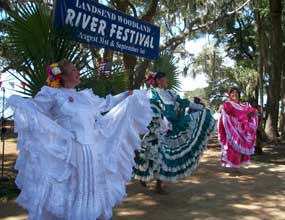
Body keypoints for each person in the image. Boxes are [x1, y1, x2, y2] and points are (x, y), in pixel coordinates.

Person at [7, 60, 152, 220]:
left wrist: (126, 95)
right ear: (62, 76)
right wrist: (22, 105)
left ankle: (90, 214)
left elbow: (105, 104)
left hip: (91, 150)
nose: (78, 71)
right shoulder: (52, 94)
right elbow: (36, 112)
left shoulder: (85, 96)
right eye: (74, 69)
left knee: (91, 186)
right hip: (72, 152)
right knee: (73, 187)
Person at [133, 72, 215, 194]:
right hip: (158, 128)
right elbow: (151, 108)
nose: (167, 81)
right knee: (151, 154)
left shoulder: (170, 93)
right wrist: (161, 121)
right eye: (165, 79)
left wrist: (200, 108)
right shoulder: (152, 93)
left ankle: (159, 185)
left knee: (167, 157)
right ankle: (143, 176)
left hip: (173, 126)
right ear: (159, 80)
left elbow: (184, 103)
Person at [218, 87, 258, 174]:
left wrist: (253, 114)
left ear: (239, 95)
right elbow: (223, 109)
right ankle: (233, 167)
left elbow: (252, 111)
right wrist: (221, 108)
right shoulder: (228, 104)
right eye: (232, 93)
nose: (234, 94)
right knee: (233, 149)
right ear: (230, 95)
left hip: (243, 131)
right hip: (232, 131)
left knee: (241, 150)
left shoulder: (243, 106)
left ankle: (235, 167)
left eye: (236, 93)